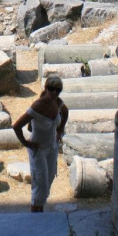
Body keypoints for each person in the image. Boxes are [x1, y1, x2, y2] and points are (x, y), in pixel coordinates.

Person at [13, 74, 69, 212]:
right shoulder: (37, 106)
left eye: (58, 90)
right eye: (51, 89)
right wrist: (26, 143)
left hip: (52, 148)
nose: (54, 92)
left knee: (48, 182)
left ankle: (40, 212)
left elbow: (65, 112)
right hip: (38, 150)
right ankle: (35, 217)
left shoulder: (58, 103)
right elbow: (17, 126)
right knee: (40, 183)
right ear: (46, 88)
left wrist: (60, 132)